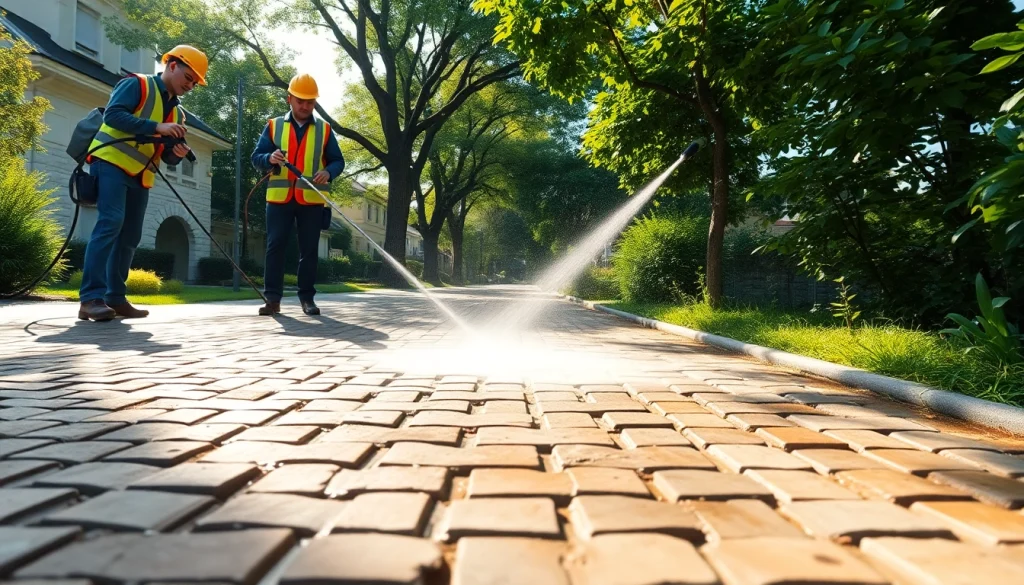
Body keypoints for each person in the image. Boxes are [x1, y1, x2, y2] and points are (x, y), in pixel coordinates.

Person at [77, 45, 208, 322]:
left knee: (131, 236)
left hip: (141, 175)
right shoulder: (137, 84)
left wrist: (176, 153)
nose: (191, 85)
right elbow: (113, 115)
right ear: (172, 65)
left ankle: (115, 298)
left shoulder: (177, 114)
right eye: (188, 77)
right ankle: (90, 299)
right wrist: (156, 127)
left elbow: (167, 156)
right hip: (111, 162)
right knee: (110, 222)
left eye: (195, 82)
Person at [251, 73, 345, 316]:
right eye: (300, 100)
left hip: (311, 200)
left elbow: (338, 161)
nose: (305, 106)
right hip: (279, 200)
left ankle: (307, 299)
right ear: (289, 99)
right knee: (275, 247)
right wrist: (269, 158)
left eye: (310, 102)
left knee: (309, 251)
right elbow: (256, 158)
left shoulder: (325, 130)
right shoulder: (273, 125)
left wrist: (328, 171)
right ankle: (272, 299)